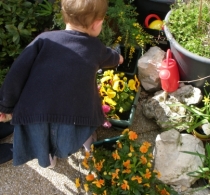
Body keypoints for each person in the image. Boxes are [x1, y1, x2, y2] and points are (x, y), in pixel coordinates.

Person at [0, 0, 123, 168]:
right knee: (87, 119)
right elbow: (112, 58)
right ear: (97, 24)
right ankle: (88, 142)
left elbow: (17, 73)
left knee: (42, 143)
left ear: (65, 17)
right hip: (73, 116)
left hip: (36, 113)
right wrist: (119, 58)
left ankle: (49, 161)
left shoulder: (43, 40)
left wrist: (6, 105)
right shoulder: (95, 48)